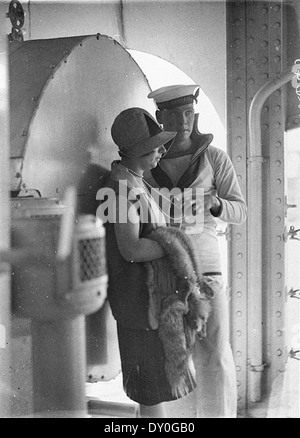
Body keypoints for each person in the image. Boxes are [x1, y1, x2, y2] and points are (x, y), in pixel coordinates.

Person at [97, 107, 213, 418]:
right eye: (155, 148)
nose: (163, 151)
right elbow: (130, 248)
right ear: (137, 152)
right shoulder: (122, 189)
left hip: (143, 304)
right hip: (140, 306)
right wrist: (174, 244)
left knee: (149, 391)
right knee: (150, 394)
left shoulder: (133, 180)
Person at [145, 84, 247, 418]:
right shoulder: (149, 165)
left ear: (196, 114)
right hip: (167, 273)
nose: (184, 120)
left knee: (214, 356)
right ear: (161, 118)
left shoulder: (214, 158)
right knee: (176, 356)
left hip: (208, 271)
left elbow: (240, 211)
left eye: (188, 113)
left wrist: (216, 203)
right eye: (174, 114)